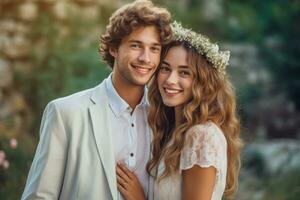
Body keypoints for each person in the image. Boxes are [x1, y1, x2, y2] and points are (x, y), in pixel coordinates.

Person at [21, 1, 172, 199]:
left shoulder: (165, 118)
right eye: (136, 45)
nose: (146, 58)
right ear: (114, 49)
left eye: (154, 49)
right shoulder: (66, 113)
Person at [116, 22, 243, 200]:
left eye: (184, 73)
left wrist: (138, 198)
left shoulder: (202, 136)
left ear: (202, 82)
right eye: (165, 69)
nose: (170, 80)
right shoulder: (173, 130)